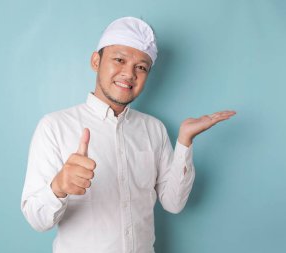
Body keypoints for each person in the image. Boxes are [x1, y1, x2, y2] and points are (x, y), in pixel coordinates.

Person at [21, 16, 236, 253]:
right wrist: (59, 186)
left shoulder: (154, 128)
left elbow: (173, 203)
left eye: (141, 67)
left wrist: (185, 142)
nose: (129, 73)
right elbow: (37, 220)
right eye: (119, 60)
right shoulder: (55, 126)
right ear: (96, 61)